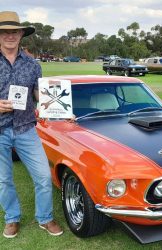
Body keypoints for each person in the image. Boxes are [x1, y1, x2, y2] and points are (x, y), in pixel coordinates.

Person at [0, 11, 63, 238]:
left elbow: (40, 95)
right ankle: (12, 218)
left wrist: (60, 108)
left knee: (44, 177)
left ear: (20, 34)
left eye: (14, 31)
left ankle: (45, 218)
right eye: (4, 32)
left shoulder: (33, 65)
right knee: (3, 179)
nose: (9, 36)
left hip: (26, 128)